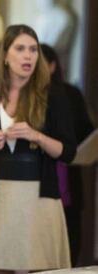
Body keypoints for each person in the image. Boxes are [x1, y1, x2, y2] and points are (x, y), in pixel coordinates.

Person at [0, 24, 76, 273]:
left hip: (38, 197)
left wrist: (37, 136)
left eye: (33, 49)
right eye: (20, 49)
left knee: (39, 267)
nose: (28, 55)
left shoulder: (53, 94)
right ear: (6, 56)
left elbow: (68, 152)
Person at [41, 43, 94, 266]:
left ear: (52, 66)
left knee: (69, 235)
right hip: (36, 177)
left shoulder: (70, 94)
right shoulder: (21, 93)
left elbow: (86, 133)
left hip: (66, 173)